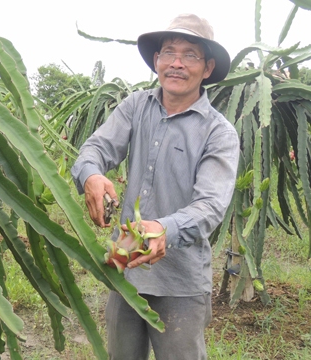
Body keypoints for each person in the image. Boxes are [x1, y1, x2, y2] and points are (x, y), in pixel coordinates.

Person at [71, 14, 240, 360]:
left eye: (190, 55)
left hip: (180, 283)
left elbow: (210, 205)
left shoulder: (219, 133)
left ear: (207, 68)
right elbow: (95, 149)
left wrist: (164, 229)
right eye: (168, 53)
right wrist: (91, 174)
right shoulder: (135, 106)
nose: (176, 63)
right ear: (156, 61)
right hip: (125, 269)